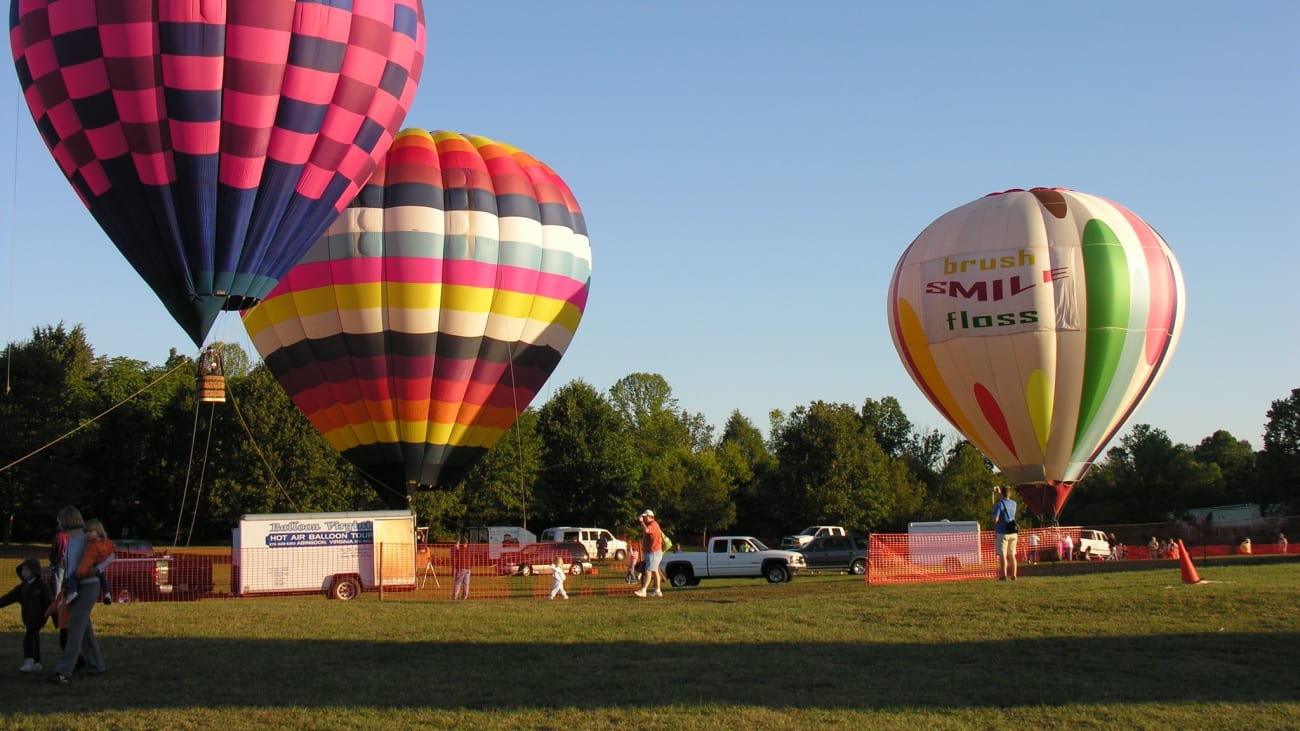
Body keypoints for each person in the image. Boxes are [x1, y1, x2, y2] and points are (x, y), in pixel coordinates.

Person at [50, 506, 113, 684]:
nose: (58, 523)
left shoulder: (86, 537)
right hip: (74, 586)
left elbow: (107, 556)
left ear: (67, 519)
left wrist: (94, 570)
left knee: (75, 627)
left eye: (60, 520)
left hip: (88, 586)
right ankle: (96, 665)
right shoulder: (70, 539)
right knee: (84, 629)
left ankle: (64, 671)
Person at [0, 557, 54, 672]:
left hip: (40, 617)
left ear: (34, 571)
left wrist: (55, 617)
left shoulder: (42, 586)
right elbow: (9, 597)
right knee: (34, 637)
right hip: (28, 617)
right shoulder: (22, 587)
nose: (23, 573)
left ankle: (29, 661)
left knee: (29, 638)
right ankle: (37, 662)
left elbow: (50, 603)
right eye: (23, 570)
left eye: (26, 570)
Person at [633, 509, 664, 598]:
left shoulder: (653, 524)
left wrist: (641, 522)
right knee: (654, 571)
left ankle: (643, 590)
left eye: (644, 517)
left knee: (648, 571)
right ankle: (657, 590)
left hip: (653, 552)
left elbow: (646, 531)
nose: (643, 518)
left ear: (649, 516)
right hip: (652, 552)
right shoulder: (652, 524)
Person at [991, 486, 1018, 581]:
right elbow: (1005, 501)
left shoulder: (999, 505)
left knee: (1003, 555)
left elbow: (995, 519)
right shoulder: (1014, 503)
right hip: (1013, 531)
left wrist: (994, 510)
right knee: (1012, 554)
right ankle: (1014, 574)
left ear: (1001, 493)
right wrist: (1000, 493)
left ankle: (1003, 575)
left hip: (1002, 532)